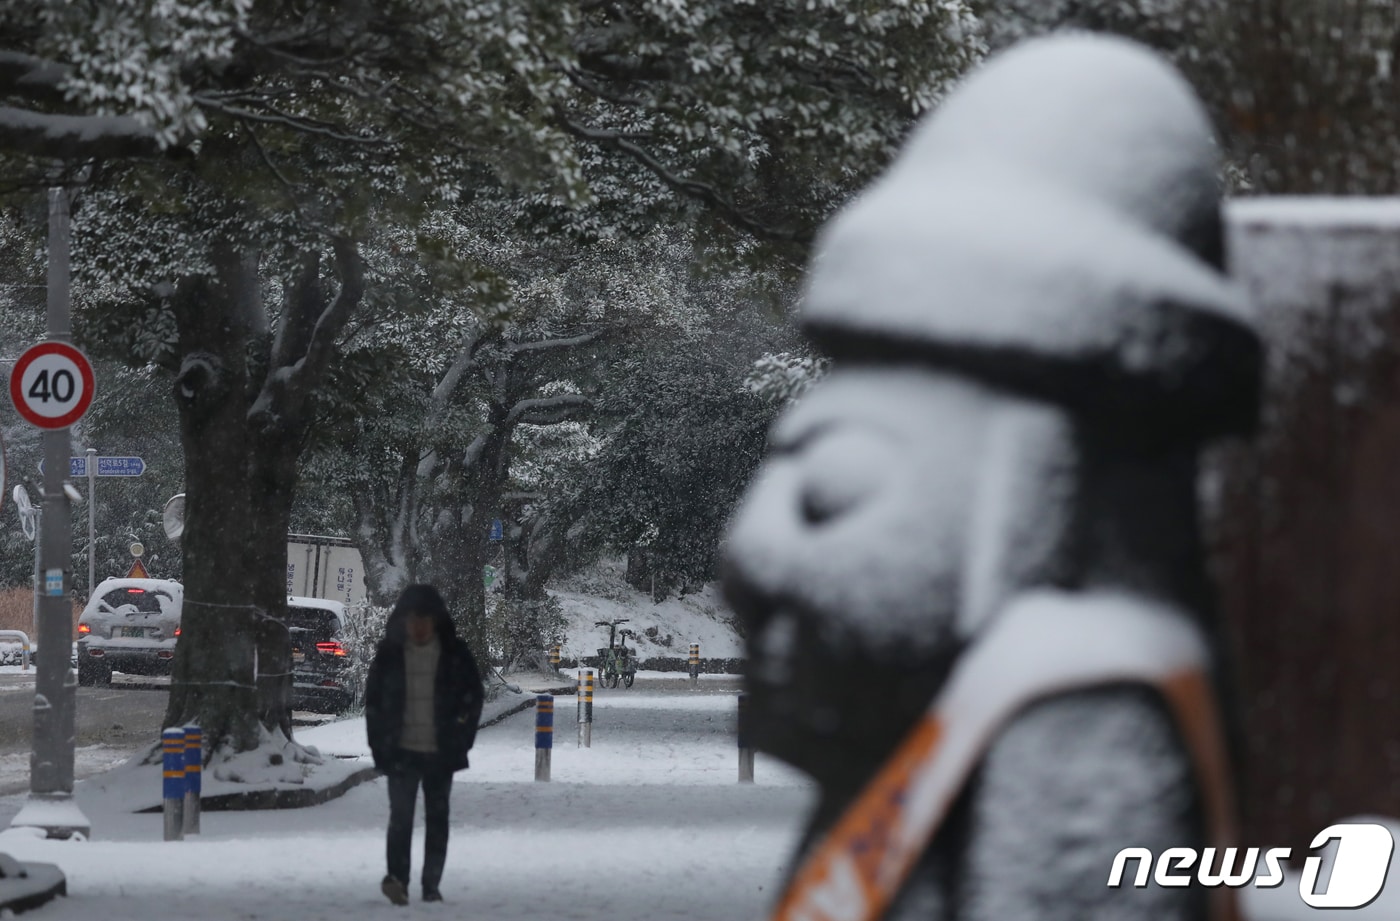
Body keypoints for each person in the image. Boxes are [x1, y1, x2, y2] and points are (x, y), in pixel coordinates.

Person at [364, 584, 484, 906]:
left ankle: (431, 884)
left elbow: (473, 698)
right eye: (412, 620)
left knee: (437, 819)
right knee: (400, 818)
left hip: (440, 753)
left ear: (436, 621)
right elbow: (373, 702)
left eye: (425, 620)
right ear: (402, 621)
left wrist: (463, 739)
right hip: (400, 751)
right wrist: (379, 746)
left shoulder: (455, 654)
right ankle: (398, 882)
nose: (418, 627)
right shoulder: (389, 655)